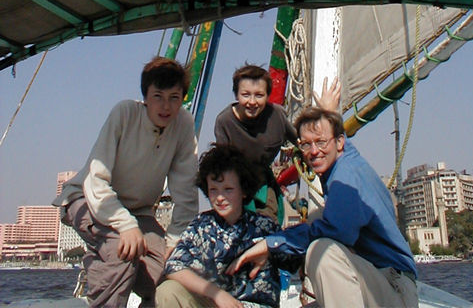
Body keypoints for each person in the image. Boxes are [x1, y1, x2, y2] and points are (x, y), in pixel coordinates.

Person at [228, 106, 418, 308]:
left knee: (322, 250)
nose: (314, 151)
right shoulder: (346, 161)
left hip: (393, 287)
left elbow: (336, 230)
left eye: (320, 142)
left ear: (339, 142)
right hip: (375, 282)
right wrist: (327, 110)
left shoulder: (346, 176)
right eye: (306, 144)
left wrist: (271, 244)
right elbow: (336, 139)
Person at [53, 57, 198, 307]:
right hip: (86, 198)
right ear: (145, 97)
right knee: (121, 249)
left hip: (139, 211)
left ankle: (107, 266)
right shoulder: (125, 113)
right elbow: (96, 180)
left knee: (172, 271)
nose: (166, 106)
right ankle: (103, 277)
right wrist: (125, 225)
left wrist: (175, 242)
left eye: (174, 97)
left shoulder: (183, 124)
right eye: (158, 96)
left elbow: (186, 192)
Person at [155, 144, 281, 308]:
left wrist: (270, 248)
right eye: (214, 190)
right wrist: (216, 293)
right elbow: (174, 266)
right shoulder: (202, 226)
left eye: (228, 189)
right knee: (167, 291)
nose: (220, 197)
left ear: (243, 190)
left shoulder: (264, 227)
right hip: (215, 302)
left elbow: (296, 255)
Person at [214, 64, 297, 222]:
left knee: (267, 225)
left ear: (267, 95)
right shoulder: (225, 122)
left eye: (259, 95)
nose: (252, 102)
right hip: (235, 185)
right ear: (236, 95)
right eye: (246, 95)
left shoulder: (277, 116)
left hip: (263, 185)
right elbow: (222, 165)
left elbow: (302, 142)